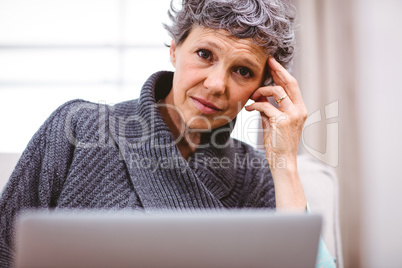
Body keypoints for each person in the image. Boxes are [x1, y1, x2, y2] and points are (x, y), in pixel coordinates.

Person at [0, 0, 335, 267]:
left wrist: (285, 163)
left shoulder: (258, 178)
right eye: (205, 55)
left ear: (261, 88)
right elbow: (5, 247)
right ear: (175, 48)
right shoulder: (78, 127)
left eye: (242, 71)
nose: (217, 85)